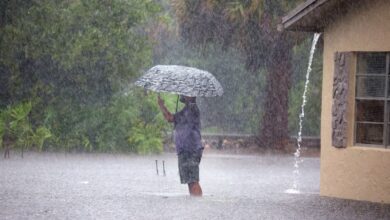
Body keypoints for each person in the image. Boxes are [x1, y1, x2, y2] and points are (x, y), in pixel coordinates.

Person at [157, 94, 203, 196]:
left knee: (193, 180)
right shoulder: (185, 110)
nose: (185, 95)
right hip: (183, 150)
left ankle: (198, 203)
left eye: (188, 93)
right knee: (189, 181)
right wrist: (162, 106)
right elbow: (170, 118)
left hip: (191, 149)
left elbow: (172, 118)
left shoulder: (193, 108)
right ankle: (194, 203)